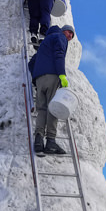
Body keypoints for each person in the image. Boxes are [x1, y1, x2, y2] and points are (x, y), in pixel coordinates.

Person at [31, 24, 75, 155]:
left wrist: (35, 78)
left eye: (71, 35)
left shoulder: (43, 45)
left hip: (39, 79)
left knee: (42, 109)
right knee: (53, 108)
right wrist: (62, 74)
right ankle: (50, 141)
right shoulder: (60, 37)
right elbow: (59, 54)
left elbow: (31, 62)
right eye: (69, 32)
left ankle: (38, 140)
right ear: (63, 31)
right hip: (52, 76)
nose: (69, 36)